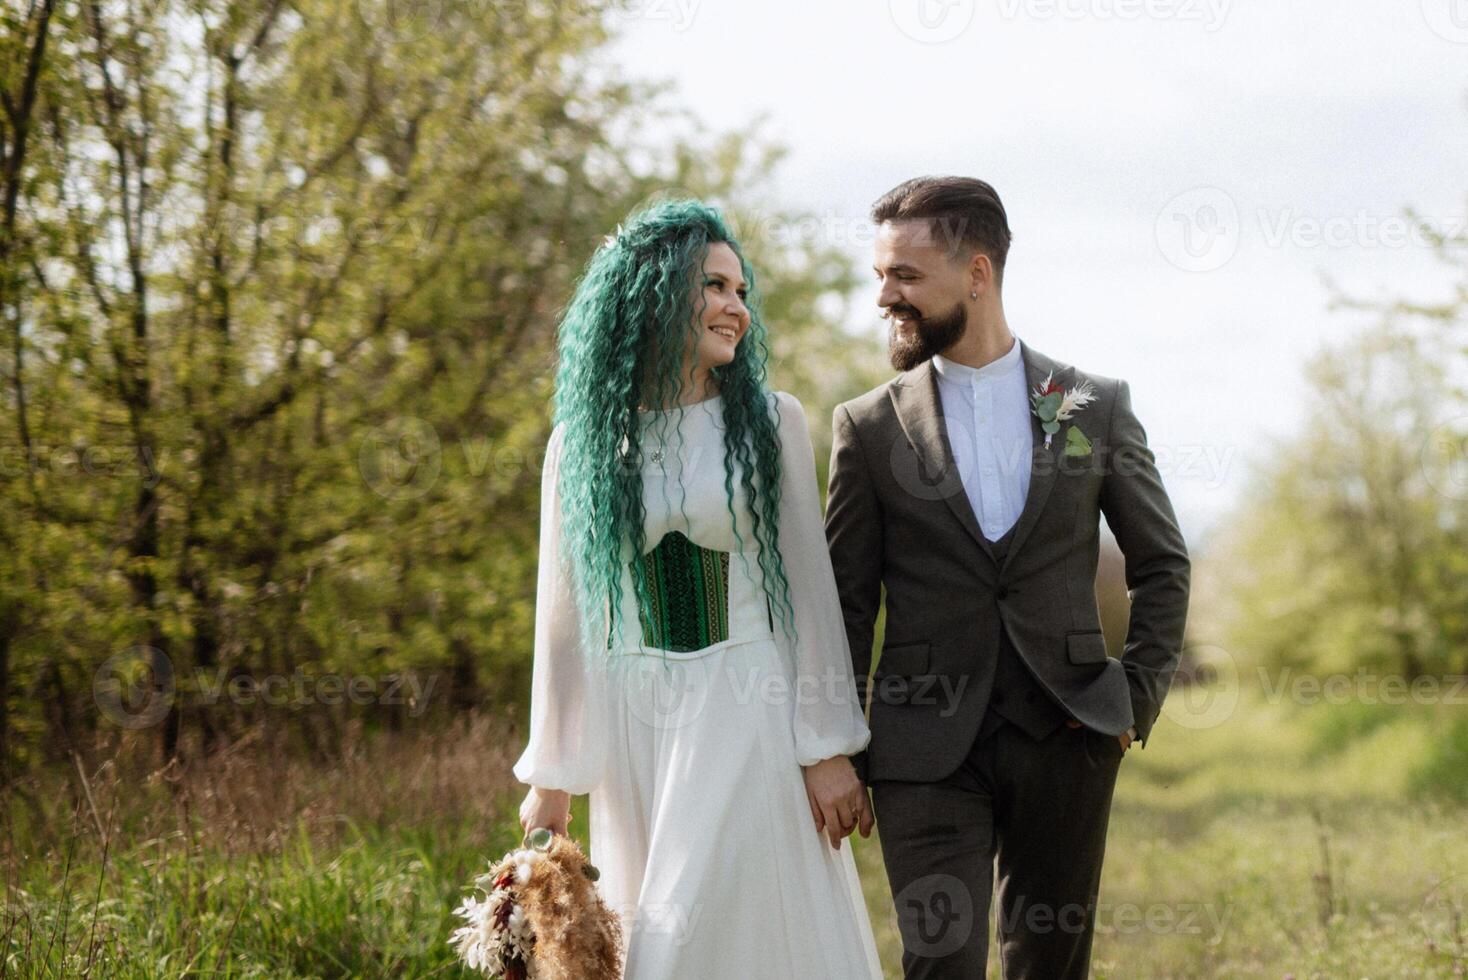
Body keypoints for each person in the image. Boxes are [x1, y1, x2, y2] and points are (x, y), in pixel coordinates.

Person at [826, 176, 1191, 978]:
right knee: (942, 962)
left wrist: (1135, 697)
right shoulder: (866, 426)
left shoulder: (1094, 406)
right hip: (923, 747)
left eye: (906, 276)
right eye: (882, 275)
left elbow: (1162, 562)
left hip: (1067, 734)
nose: (886, 295)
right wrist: (838, 745)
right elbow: (846, 603)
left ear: (978, 273)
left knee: (1049, 964)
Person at [513, 199, 883, 979]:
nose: (736, 308)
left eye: (741, 291)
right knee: (656, 932)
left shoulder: (769, 425)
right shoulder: (580, 447)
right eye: (715, 286)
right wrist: (554, 778)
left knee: (697, 932)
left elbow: (809, 594)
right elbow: (565, 622)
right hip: (635, 726)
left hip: (745, 705)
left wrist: (825, 746)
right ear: (654, 291)